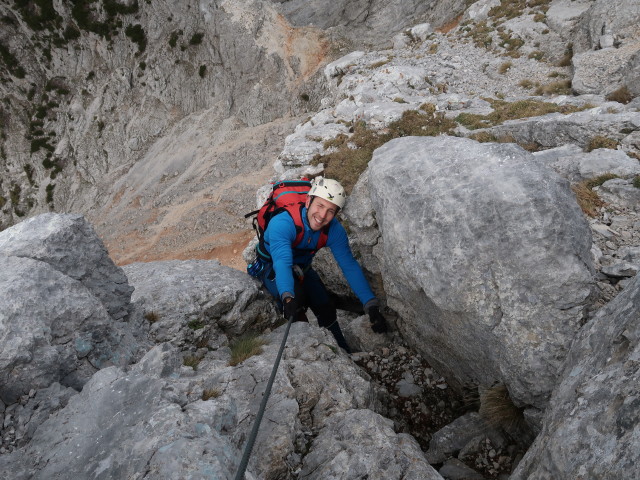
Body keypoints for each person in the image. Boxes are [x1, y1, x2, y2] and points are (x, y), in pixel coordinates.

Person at [256, 177, 388, 353]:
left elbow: (349, 266)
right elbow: (282, 263)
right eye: (320, 205)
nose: (322, 216)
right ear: (308, 200)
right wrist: (288, 296)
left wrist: (370, 304)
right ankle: (306, 349)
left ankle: (342, 351)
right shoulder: (283, 223)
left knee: (325, 305)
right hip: (272, 265)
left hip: (302, 268)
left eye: (330, 211)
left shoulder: (334, 230)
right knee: (297, 306)